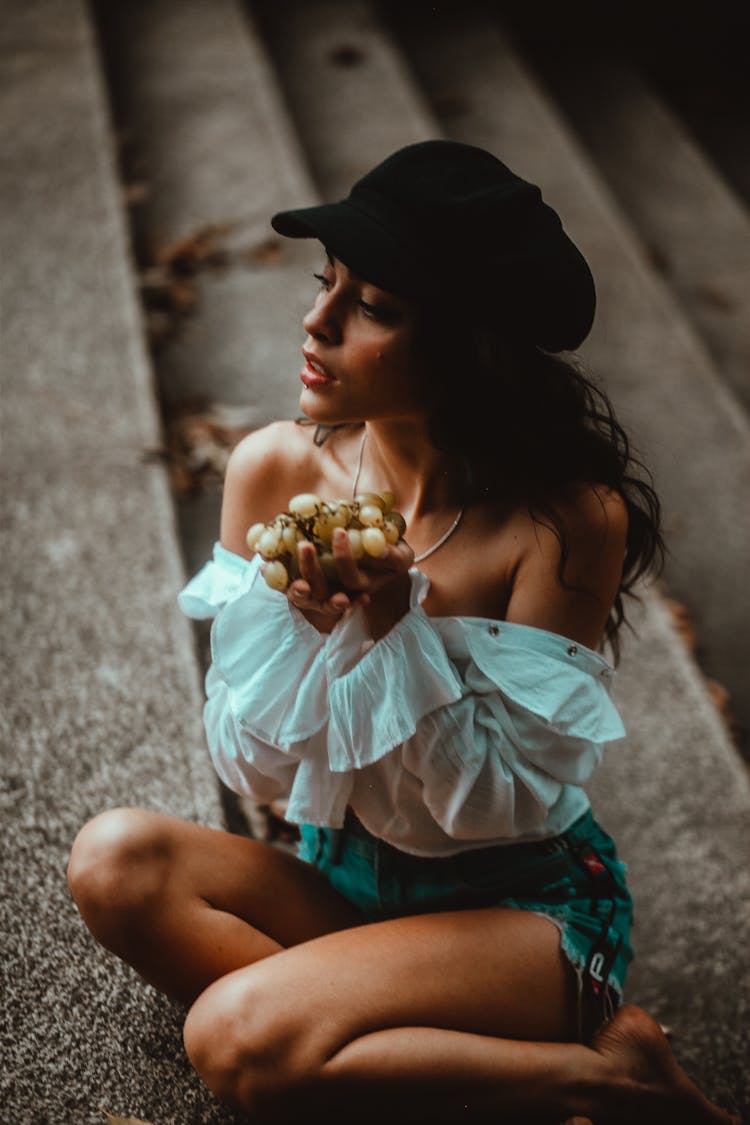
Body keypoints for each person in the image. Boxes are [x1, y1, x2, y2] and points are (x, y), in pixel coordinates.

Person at [67, 141, 738, 1124]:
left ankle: (597, 1073)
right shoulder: (275, 470)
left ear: (471, 348)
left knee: (230, 1039)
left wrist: (391, 626)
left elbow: (494, 810)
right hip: (343, 879)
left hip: (523, 911)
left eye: (372, 306)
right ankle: (469, 1059)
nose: (316, 322)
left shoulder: (563, 522)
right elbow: (252, 774)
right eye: (324, 284)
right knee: (112, 863)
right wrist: (304, 634)